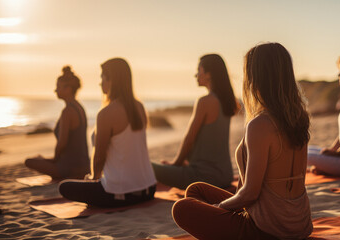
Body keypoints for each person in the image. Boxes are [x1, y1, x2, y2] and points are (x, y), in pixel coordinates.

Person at [172, 43, 313, 239]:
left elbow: (250, 194)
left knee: (182, 208)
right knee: (196, 189)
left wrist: (219, 208)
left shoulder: (261, 124)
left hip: (267, 230)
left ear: (257, 77)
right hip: (298, 223)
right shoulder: (298, 117)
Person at [58, 58, 156, 208]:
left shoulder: (107, 113)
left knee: (64, 187)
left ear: (112, 81)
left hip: (121, 193)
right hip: (148, 189)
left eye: (102, 77)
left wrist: (93, 178)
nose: (100, 82)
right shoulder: (139, 107)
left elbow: (99, 157)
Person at [152, 54, 240, 190]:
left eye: (199, 70)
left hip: (203, 177)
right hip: (225, 175)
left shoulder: (205, 101)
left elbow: (189, 139)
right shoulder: (228, 101)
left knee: (147, 166)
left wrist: (175, 164)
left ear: (209, 74)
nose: (196, 75)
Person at [25, 66, 89, 179]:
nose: (55, 90)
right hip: (84, 166)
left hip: (70, 169)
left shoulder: (67, 111)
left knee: (29, 161)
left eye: (58, 87)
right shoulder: (79, 108)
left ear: (68, 89)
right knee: (41, 159)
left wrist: (54, 159)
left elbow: (62, 143)